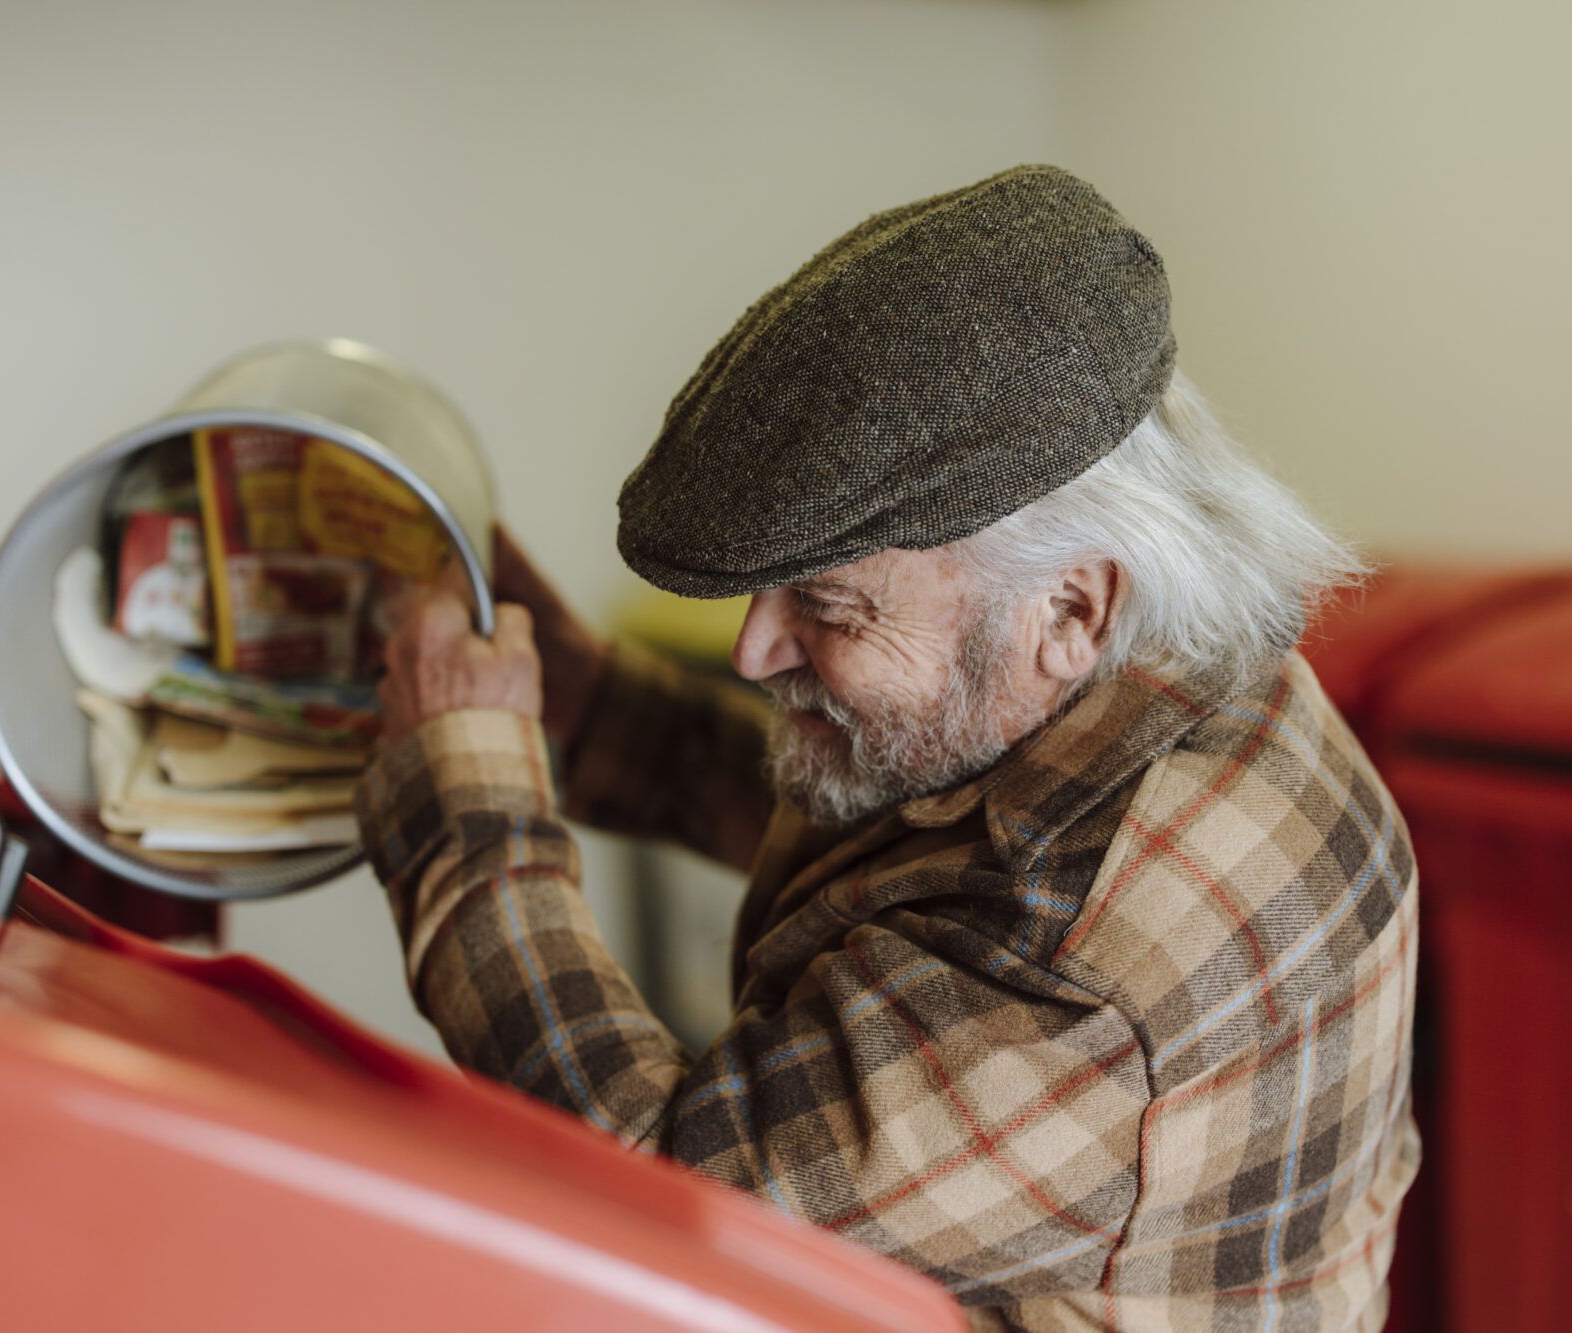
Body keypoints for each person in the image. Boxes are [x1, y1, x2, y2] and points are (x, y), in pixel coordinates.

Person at [358, 165, 1418, 1331]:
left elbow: (667, 1195)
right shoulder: (1171, 674)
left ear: (1070, 607)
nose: (752, 650)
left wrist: (464, 809)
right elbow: (893, 837)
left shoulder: (1081, 975)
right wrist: (591, 702)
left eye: (826, 605)